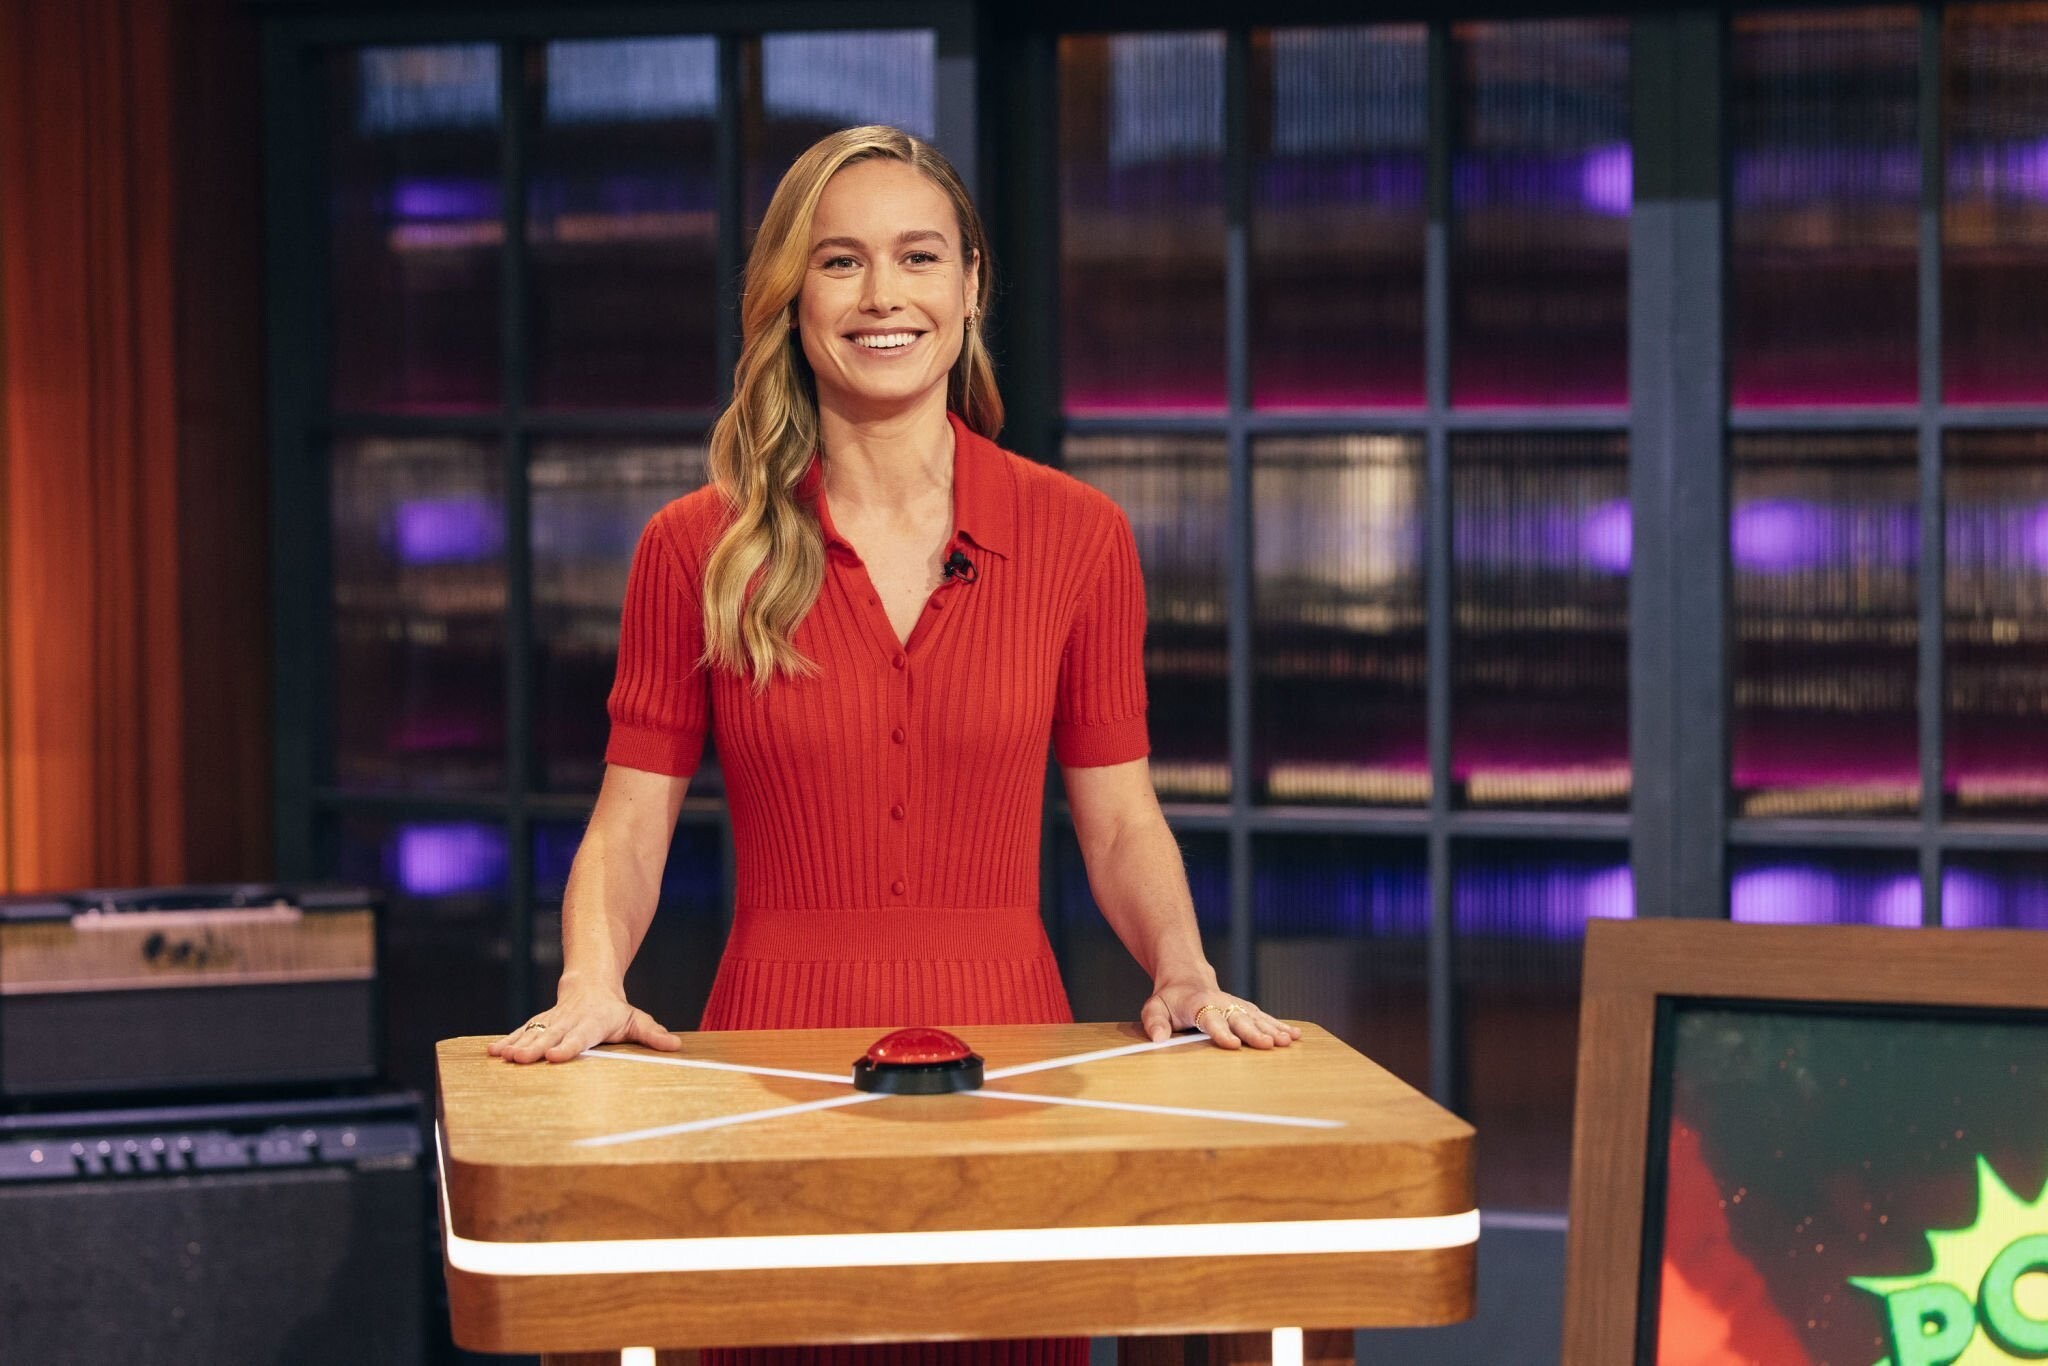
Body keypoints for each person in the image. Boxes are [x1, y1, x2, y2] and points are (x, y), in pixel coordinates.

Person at [491, 123, 1299, 1361]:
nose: (882, 296)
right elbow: (631, 824)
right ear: (789, 297)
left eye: (918, 257)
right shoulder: (696, 545)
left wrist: (1182, 971)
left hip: (1011, 1063)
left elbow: (1119, 820)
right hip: (769, 1062)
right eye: (840, 261)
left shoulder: (1079, 535)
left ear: (970, 284)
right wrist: (591, 982)